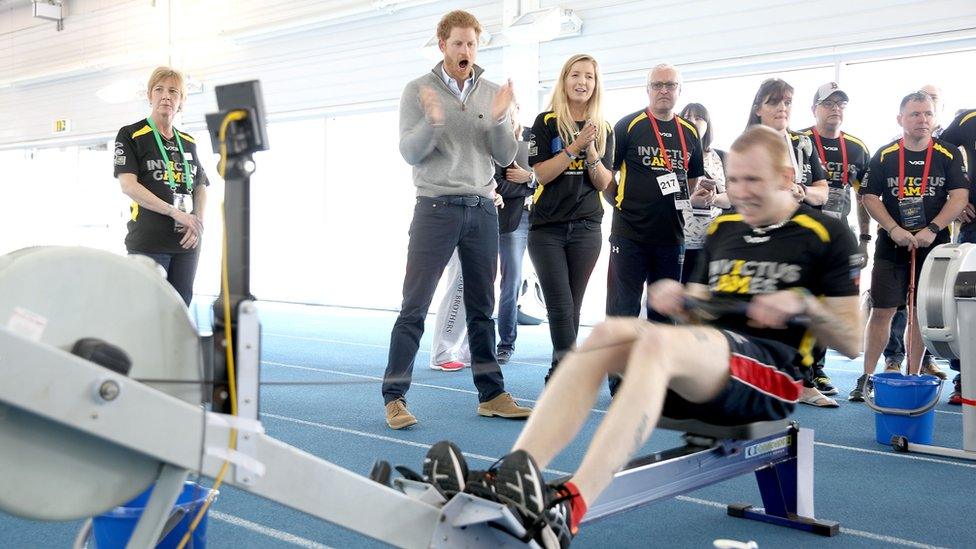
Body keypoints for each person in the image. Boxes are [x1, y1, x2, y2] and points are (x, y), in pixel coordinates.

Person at [422, 125, 862, 547]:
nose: (741, 191)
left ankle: (572, 507)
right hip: (711, 368)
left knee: (655, 341)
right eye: (734, 179)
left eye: (753, 180)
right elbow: (706, 310)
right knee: (608, 333)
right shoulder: (726, 228)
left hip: (773, 377)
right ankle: (514, 476)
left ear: (787, 177)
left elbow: (851, 341)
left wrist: (804, 305)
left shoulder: (826, 233)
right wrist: (686, 297)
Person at [381, 10, 531, 429]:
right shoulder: (418, 90)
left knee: (482, 308)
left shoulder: (491, 92)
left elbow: (504, 156)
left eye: (472, 44)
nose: (466, 51)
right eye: (459, 43)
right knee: (415, 306)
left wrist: (502, 119)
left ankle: (492, 395)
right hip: (435, 208)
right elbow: (410, 152)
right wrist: (432, 122)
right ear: (442, 44)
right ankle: (395, 397)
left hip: (482, 208)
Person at [852, 91, 969, 401]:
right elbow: (869, 196)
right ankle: (866, 377)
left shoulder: (947, 154)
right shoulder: (885, 154)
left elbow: (959, 197)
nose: (922, 120)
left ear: (935, 118)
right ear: (900, 119)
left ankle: (912, 375)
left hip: (933, 245)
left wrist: (933, 228)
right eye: (915, 114)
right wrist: (893, 228)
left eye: (928, 114)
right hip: (892, 244)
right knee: (883, 310)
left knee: (918, 314)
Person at [604, 64, 709, 395]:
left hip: (672, 237)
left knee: (664, 313)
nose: (664, 90)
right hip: (630, 235)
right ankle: (620, 381)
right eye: (657, 85)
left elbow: (691, 181)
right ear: (647, 89)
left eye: (670, 85)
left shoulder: (689, 132)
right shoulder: (628, 125)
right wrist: (620, 205)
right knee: (624, 310)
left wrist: (696, 194)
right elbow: (606, 175)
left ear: (680, 89)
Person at [747, 77, 835, 406]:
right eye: (774, 102)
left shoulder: (803, 144)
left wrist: (803, 192)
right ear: (758, 109)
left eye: (786, 103)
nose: (782, 109)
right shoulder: (748, 144)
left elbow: (822, 190)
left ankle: (805, 381)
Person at [526, 53, 614, 381]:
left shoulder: (604, 128)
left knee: (572, 308)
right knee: (560, 307)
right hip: (547, 228)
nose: (582, 82)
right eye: (575, 75)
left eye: (589, 76)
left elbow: (604, 183)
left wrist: (591, 151)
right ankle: (567, 376)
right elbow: (543, 174)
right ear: (564, 80)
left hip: (588, 228)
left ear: (596, 84)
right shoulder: (545, 122)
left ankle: (558, 372)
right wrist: (575, 145)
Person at [798, 82, 872, 401]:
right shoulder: (797, 141)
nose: (835, 109)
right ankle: (796, 371)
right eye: (828, 104)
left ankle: (817, 367)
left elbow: (864, 197)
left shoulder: (856, 147)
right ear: (814, 108)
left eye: (840, 104)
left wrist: (865, 239)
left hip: (839, 239)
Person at [114, 66, 208, 307]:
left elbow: (200, 186)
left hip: (186, 244)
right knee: (147, 314)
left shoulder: (187, 141)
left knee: (180, 312)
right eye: (159, 89)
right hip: (149, 242)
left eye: (173, 91)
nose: (166, 95)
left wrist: (196, 221)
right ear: (150, 96)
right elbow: (128, 186)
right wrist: (175, 212)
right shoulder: (131, 134)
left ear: (181, 101)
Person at [938, 107, 976, 405]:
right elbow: (938, 153)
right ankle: (966, 380)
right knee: (967, 307)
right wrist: (958, 200)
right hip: (973, 228)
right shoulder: (967, 119)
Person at [494, 106, 534, 365]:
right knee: (511, 282)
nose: (509, 114)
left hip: (549, 218)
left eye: (512, 109)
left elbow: (557, 176)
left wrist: (530, 178)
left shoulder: (537, 134)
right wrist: (529, 188)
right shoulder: (496, 142)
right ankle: (506, 344)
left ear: (518, 110)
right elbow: (498, 183)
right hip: (514, 220)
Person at [678, 102, 729, 284]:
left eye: (698, 117)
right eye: (687, 117)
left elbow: (732, 199)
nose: (692, 121)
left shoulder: (721, 157)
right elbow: (662, 197)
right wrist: (690, 201)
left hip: (712, 243)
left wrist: (713, 198)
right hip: (679, 241)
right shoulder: (671, 154)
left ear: (708, 124)